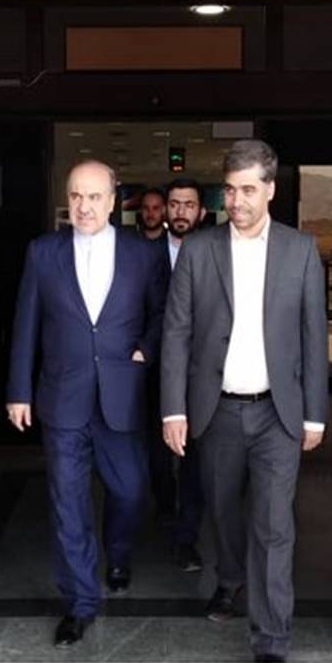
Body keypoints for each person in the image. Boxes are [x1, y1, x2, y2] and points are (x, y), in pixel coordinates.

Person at [160, 140, 328, 663]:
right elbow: (176, 333)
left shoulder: (301, 250)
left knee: (274, 525)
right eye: (230, 190)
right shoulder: (199, 250)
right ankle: (229, 577)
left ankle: (271, 638)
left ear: (270, 190)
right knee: (223, 511)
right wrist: (174, 409)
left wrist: (315, 413)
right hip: (218, 411)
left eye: (248, 190)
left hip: (279, 413)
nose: (237, 201)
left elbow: (313, 336)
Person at [6, 159, 168, 648]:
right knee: (68, 504)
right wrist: (18, 391)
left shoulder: (143, 253)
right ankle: (79, 602)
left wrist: (146, 349)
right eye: (76, 195)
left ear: (113, 200)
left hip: (122, 395)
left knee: (132, 490)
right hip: (62, 398)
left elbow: (163, 312)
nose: (84, 206)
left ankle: (117, 553)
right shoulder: (43, 252)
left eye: (94, 196)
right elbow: (26, 322)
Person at [143, 178, 208, 571]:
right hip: (153, 372)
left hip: (200, 373)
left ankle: (187, 537)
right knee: (156, 454)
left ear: (201, 211)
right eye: (174, 203)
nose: (181, 211)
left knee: (194, 459)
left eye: (189, 204)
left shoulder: (215, 253)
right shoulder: (144, 254)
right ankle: (165, 508)